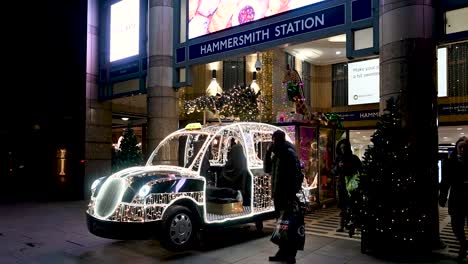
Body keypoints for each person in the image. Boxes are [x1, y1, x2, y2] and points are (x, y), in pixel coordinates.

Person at [264, 130, 302, 264]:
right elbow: (267, 169)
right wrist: (268, 153)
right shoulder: (278, 154)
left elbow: (296, 174)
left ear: (277, 140)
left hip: (287, 195)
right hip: (279, 195)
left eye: (273, 141)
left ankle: (290, 254)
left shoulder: (288, 153)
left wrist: (291, 193)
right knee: (281, 225)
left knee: (289, 224)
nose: (272, 143)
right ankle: (282, 251)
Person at [439, 136, 468, 262]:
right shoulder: (450, 162)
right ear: (456, 147)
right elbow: (445, 181)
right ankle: (463, 243)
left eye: (465, 146)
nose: (462, 149)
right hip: (457, 198)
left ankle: (463, 248)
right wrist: (442, 197)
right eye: (460, 146)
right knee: (456, 226)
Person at [332, 139, 362, 233]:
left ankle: (355, 224)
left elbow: (361, 169)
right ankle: (342, 225)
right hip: (342, 185)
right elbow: (333, 171)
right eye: (341, 148)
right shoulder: (338, 158)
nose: (343, 149)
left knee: (353, 205)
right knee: (343, 206)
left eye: (345, 147)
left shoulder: (354, 158)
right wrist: (338, 167)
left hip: (352, 184)